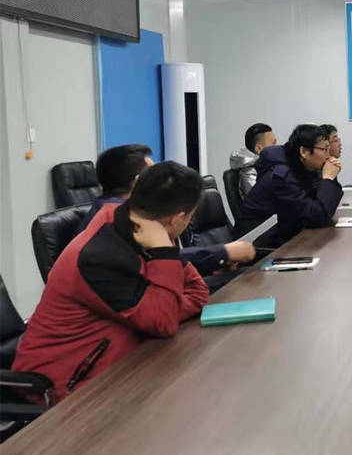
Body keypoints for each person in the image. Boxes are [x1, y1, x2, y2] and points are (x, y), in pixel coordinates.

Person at [13, 162, 210, 403]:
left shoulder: (141, 227)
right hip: (64, 389)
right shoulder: (99, 257)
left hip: (120, 367)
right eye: (190, 217)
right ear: (177, 219)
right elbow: (164, 322)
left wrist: (164, 305)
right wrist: (164, 254)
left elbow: (196, 292)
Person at [78, 145, 256, 279]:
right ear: (138, 182)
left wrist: (211, 264)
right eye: (154, 173)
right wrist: (223, 253)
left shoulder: (120, 209)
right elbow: (157, 259)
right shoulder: (116, 218)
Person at [237, 124, 344, 248]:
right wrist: (328, 179)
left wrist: (328, 178)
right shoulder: (281, 177)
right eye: (324, 149)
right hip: (257, 247)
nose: (328, 155)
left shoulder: (302, 168)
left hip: (282, 239)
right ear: (304, 152)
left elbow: (320, 206)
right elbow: (316, 217)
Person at [229, 123, 277, 201]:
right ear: (259, 149)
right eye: (273, 143)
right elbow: (263, 201)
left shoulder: (266, 166)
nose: (277, 147)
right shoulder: (249, 173)